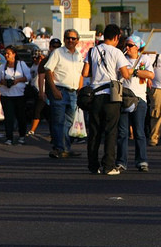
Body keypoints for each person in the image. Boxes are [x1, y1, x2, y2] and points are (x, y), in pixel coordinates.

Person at [81, 24, 131, 175]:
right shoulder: (116, 52)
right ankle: (109, 166)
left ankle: (93, 165)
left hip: (95, 96)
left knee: (95, 131)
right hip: (111, 96)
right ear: (116, 37)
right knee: (110, 131)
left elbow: (85, 73)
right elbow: (126, 74)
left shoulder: (92, 51)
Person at [116, 35, 154, 172]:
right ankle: (121, 161)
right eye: (126, 45)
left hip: (139, 99)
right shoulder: (121, 58)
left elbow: (151, 74)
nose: (127, 48)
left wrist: (135, 71)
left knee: (139, 132)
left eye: (130, 45)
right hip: (124, 98)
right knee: (122, 132)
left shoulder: (145, 59)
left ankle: (142, 160)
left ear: (137, 47)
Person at [45, 30, 84, 158]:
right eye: (68, 38)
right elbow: (48, 71)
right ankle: (59, 148)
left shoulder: (79, 55)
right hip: (60, 90)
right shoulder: (58, 53)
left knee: (68, 122)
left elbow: (80, 73)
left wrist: (80, 89)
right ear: (64, 39)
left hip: (73, 93)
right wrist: (54, 90)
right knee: (58, 121)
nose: (70, 41)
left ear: (77, 40)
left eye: (73, 38)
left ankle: (65, 148)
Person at [0, 46, 32, 145]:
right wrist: (3, 82)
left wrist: (18, 80)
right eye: (5, 53)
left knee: (20, 116)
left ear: (14, 54)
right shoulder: (3, 66)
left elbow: (29, 76)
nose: (7, 55)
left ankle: (21, 136)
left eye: (9, 53)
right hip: (6, 95)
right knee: (8, 117)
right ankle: (9, 137)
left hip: (19, 95)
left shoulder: (21, 64)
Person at [28, 39, 62, 136]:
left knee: (59, 116)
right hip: (49, 92)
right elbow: (41, 77)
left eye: (57, 47)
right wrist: (41, 92)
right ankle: (54, 136)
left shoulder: (64, 59)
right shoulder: (45, 61)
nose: (55, 49)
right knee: (52, 114)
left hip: (62, 90)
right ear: (50, 47)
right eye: (53, 47)